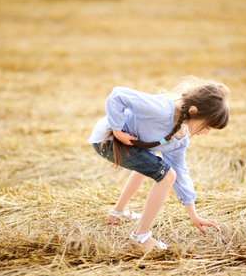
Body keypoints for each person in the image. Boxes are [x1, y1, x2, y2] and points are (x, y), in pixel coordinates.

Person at [88, 76, 229, 250]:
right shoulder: (163, 110)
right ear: (193, 111)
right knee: (166, 175)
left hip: (127, 143)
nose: (207, 132)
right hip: (108, 139)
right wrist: (117, 131)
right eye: (208, 126)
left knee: (154, 163)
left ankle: (117, 213)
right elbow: (118, 95)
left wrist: (194, 215)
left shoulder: (180, 141)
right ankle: (140, 235)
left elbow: (181, 174)